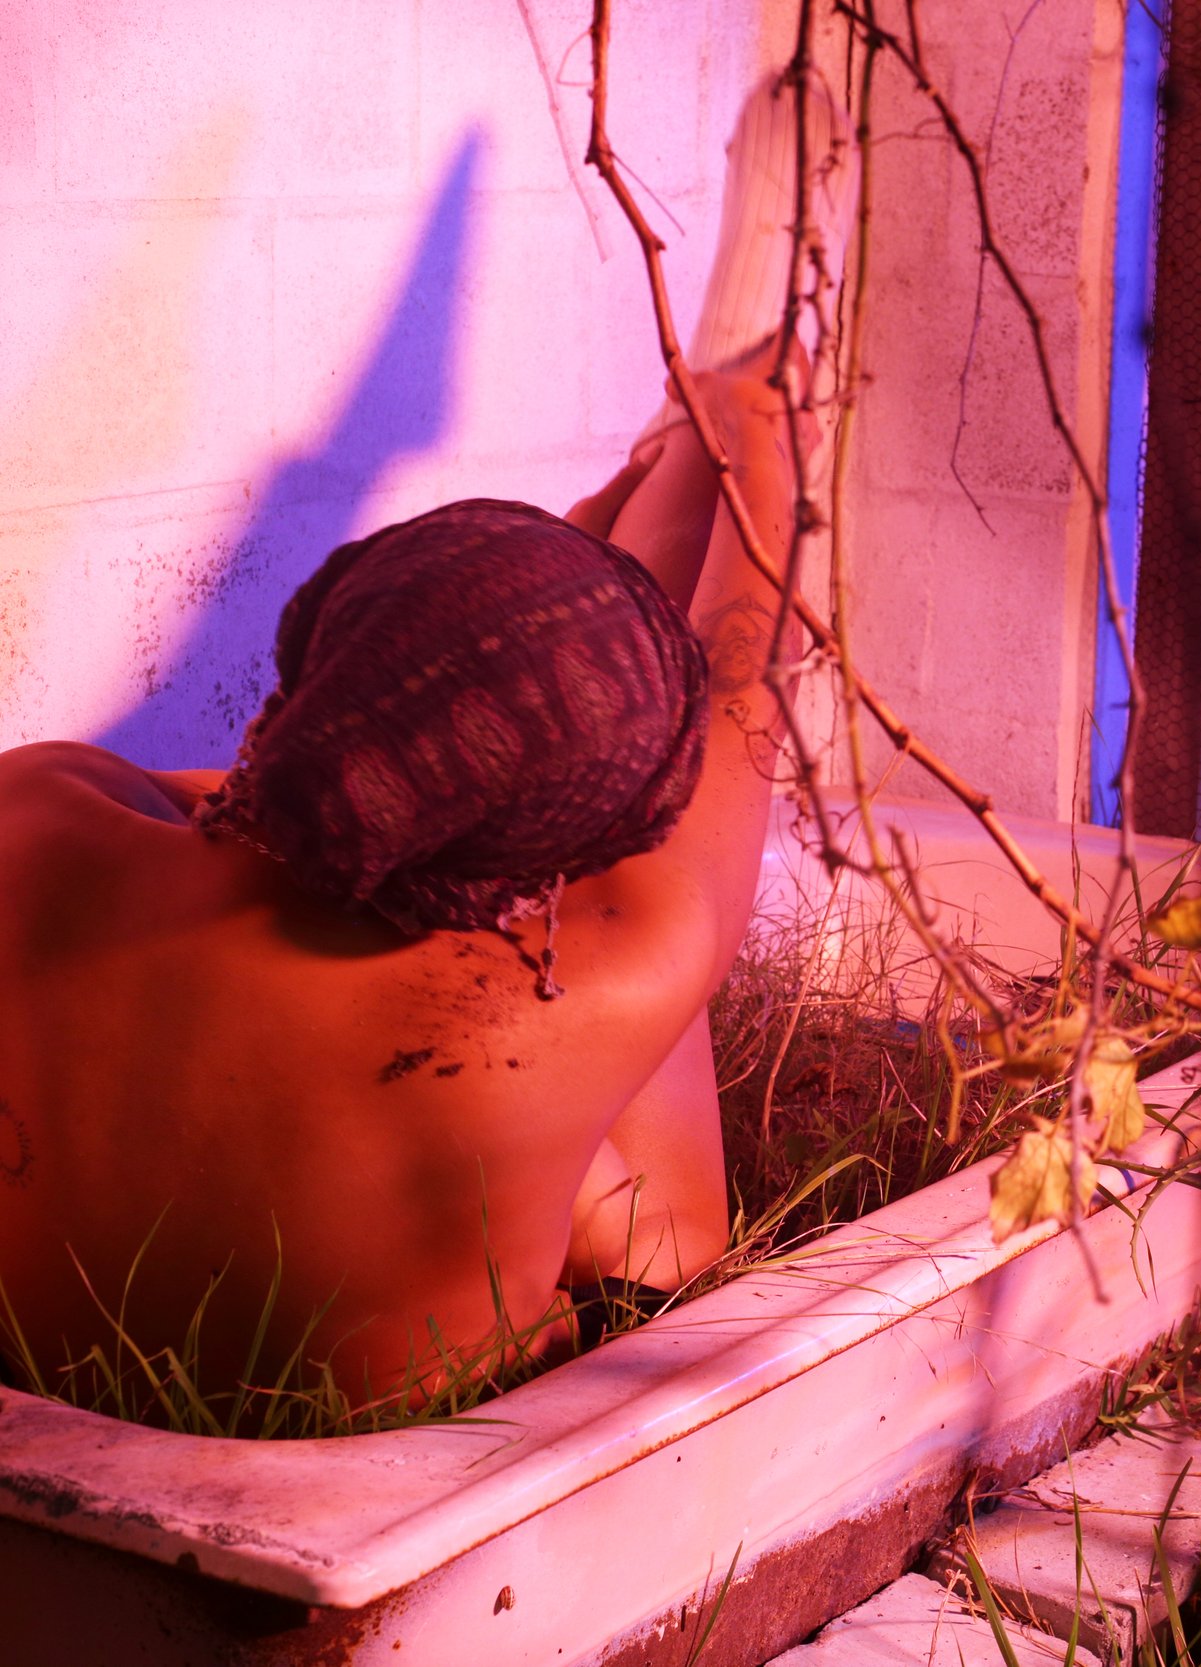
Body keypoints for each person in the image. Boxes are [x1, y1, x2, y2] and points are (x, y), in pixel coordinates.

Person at [0, 73, 846, 1404]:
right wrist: (761, 408)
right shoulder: (577, 992)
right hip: (370, 1430)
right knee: (655, 1192)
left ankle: (702, 406)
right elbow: (746, 670)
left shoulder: (36, 811)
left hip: (52, 1369)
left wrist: (540, 585)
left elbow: (290, 786)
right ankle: (739, 368)